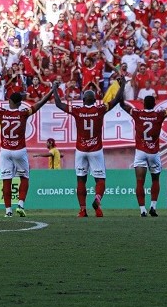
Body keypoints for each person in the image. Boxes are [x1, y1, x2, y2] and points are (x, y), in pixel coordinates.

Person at [0, 84, 53, 217]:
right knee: (24, 177)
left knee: (7, 180)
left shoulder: (1, 112)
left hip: (5, 151)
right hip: (19, 150)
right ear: (20, 104)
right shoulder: (23, 113)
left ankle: (8, 211)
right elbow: (40, 104)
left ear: (9, 102)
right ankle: (20, 205)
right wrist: (51, 91)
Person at [53, 79, 125, 217]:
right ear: (94, 100)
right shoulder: (100, 109)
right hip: (96, 150)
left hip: (81, 150)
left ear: (83, 99)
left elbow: (58, 103)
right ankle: (97, 200)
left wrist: (54, 89)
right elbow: (116, 100)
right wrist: (123, 86)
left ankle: (82, 210)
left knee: (81, 179)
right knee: (100, 180)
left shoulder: (77, 110)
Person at [118, 83, 167, 217]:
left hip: (140, 152)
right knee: (155, 180)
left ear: (143, 104)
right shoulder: (159, 114)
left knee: (140, 181)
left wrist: (121, 86)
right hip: (153, 153)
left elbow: (122, 104)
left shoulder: (137, 113)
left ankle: (142, 210)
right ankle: (153, 207)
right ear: (154, 104)